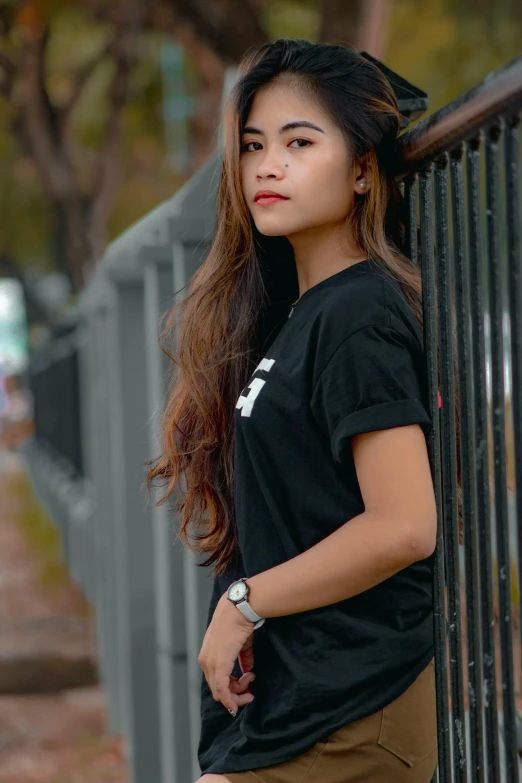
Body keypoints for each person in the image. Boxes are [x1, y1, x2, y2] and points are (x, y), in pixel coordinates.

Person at [147, 38, 439, 783]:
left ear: (364, 170)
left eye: (299, 142)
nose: (266, 166)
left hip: (353, 711)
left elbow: (404, 523)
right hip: (302, 701)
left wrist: (245, 602)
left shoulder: (359, 313)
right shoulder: (303, 314)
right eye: (252, 146)